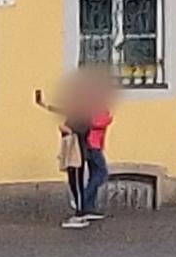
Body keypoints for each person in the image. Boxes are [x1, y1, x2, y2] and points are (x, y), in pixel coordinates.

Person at [36, 69, 116, 228]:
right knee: (82, 177)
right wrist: (44, 105)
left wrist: (67, 129)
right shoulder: (81, 109)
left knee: (82, 178)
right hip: (79, 147)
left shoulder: (87, 111)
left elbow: (86, 127)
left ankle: (81, 210)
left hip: (80, 148)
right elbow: (64, 111)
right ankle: (84, 207)